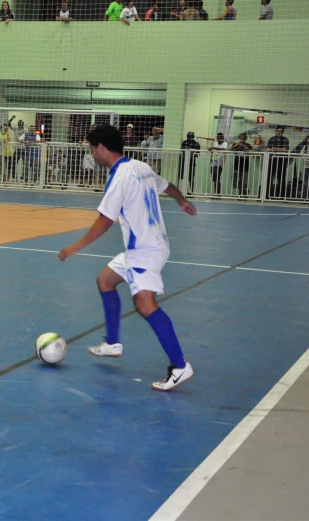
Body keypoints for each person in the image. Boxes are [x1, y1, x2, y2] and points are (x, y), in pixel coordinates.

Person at [57, 125, 197, 392]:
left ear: (101, 148)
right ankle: (113, 344)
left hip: (145, 249)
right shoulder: (140, 166)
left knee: (145, 304)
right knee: (105, 280)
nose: (92, 155)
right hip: (147, 245)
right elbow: (166, 185)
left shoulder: (120, 176)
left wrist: (76, 246)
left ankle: (180, 366)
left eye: (91, 149)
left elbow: (106, 219)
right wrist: (182, 201)